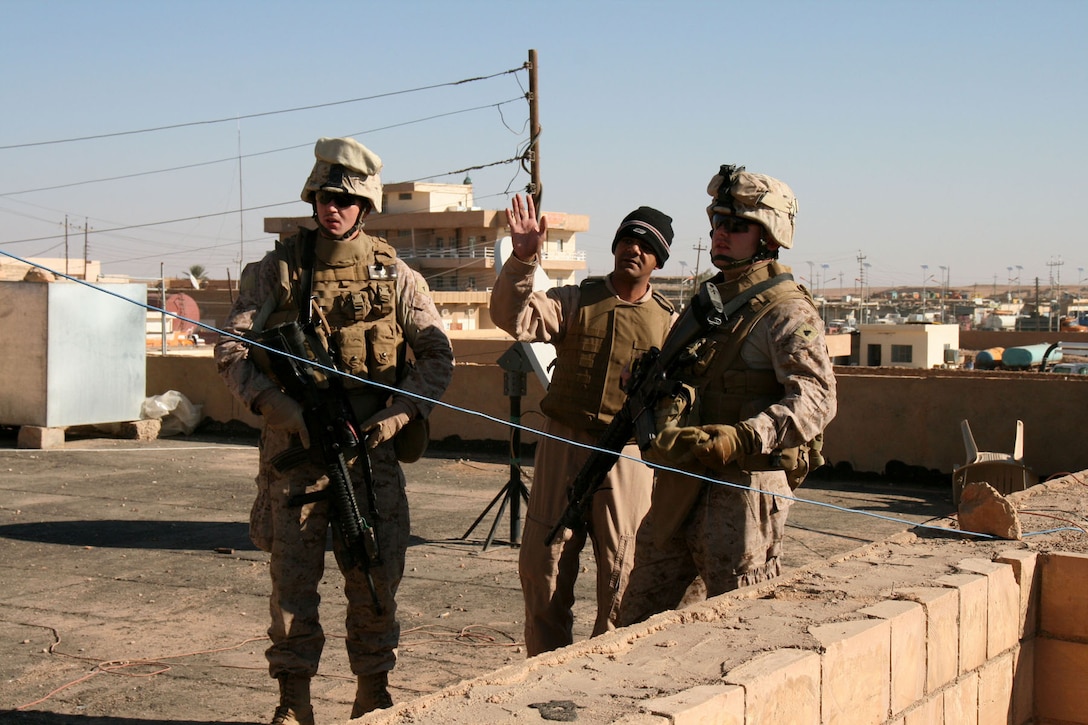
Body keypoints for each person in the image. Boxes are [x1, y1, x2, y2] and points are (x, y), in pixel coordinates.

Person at [214, 137, 453, 724]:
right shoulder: (278, 269)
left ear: (364, 207)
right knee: (292, 587)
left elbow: (437, 356)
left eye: (345, 201)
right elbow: (231, 349)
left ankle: (372, 691)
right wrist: (278, 407)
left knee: (374, 578)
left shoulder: (395, 274)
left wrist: (399, 413)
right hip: (296, 453)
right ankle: (292, 700)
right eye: (324, 197)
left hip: (369, 457)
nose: (333, 209)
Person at [618, 164, 837, 626]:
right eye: (718, 222)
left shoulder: (785, 310)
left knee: (735, 627)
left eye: (737, 226)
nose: (721, 234)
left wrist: (743, 436)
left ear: (769, 236)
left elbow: (817, 398)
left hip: (744, 495)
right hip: (682, 484)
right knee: (637, 619)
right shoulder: (709, 301)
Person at [489, 194, 675, 656]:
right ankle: (544, 667)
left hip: (627, 456)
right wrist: (523, 259)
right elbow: (511, 316)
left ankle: (608, 672)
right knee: (542, 565)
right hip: (563, 444)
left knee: (622, 571)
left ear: (658, 262)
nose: (634, 249)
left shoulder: (669, 324)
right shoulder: (575, 300)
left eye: (646, 245)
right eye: (628, 238)